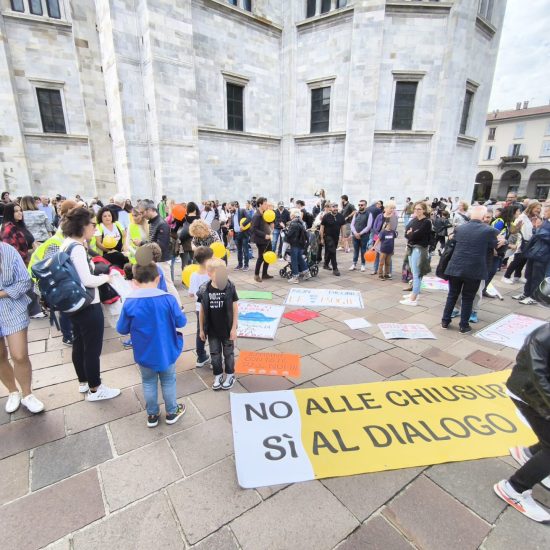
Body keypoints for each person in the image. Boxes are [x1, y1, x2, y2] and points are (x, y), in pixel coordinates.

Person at [494, 284, 550, 522]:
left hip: (537, 395)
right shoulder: (542, 337)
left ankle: (529, 453)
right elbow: (538, 378)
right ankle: (514, 489)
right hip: (528, 394)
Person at [116, 256, 187, 427]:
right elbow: (181, 322)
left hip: (143, 352)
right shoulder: (168, 299)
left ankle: (152, 416)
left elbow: (122, 329)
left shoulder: (130, 302)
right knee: (169, 380)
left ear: (134, 281)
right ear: (158, 278)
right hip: (166, 350)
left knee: (148, 382)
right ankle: (171, 411)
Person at [60, 207, 120, 400]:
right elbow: (87, 280)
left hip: (74, 303)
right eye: (93, 224)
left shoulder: (66, 244)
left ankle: (84, 382)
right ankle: (96, 388)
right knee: (92, 348)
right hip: (87, 303)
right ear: (82, 226)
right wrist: (106, 278)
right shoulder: (77, 248)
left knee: (79, 343)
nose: (95, 228)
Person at [0, 242, 45, 414]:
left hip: (12, 307)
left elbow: (25, 282)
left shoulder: (7, 251)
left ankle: (27, 394)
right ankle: (13, 391)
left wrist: (2, 293)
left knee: (19, 354)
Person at [441, 205, 499, 333]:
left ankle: (445, 321)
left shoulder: (460, 228)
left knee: (452, 295)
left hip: (456, 267)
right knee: (468, 297)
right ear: (484, 217)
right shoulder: (489, 231)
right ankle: (463, 325)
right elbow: (494, 247)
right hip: (474, 270)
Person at [197, 258, 239, 391]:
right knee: (214, 354)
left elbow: (235, 307)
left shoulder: (230, 286)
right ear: (209, 274)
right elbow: (202, 310)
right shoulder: (204, 289)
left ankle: (230, 375)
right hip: (212, 330)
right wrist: (202, 330)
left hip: (227, 329)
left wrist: (234, 328)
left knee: (229, 353)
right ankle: (218, 375)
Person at [139, 199, 182, 307]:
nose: (142, 215)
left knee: (168, 284)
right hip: (158, 259)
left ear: (149, 210)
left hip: (162, 259)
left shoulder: (161, 224)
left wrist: (142, 243)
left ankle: (179, 306)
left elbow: (160, 246)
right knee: (163, 284)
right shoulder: (154, 222)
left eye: (142, 212)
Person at [513, 201, 550, 305]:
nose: (544, 212)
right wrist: (535, 228)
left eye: (546, 210)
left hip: (543, 255)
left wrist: (537, 229)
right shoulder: (545, 221)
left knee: (537, 277)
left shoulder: (545, 222)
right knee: (529, 275)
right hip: (534, 252)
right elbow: (536, 236)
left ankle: (533, 297)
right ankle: (526, 293)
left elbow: (545, 236)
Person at [400, 202, 432, 306]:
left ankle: (413, 299)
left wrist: (411, 233)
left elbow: (417, 235)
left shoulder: (426, 222)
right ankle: (415, 293)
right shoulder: (413, 220)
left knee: (417, 274)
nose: (417, 211)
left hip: (419, 249)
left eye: (419, 209)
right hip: (411, 247)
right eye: (415, 209)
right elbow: (406, 233)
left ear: (424, 210)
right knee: (413, 272)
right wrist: (410, 233)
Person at [502, 201, 541, 284]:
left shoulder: (534, 218)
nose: (539, 210)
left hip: (529, 242)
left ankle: (517, 276)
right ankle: (506, 276)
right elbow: (514, 229)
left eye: (540, 209)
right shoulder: (522, 217)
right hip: (521, 241)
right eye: (537, 208)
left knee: (524, 260)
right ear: (531, 207)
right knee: (518, 259)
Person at [188, 246, 213, 367]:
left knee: (201, 331)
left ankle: (201, 356)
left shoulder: (193, 275)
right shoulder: (212, 274)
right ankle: (215, 357)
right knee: (214, 332)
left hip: (200, 309)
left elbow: (191, 294)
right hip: (214, 307)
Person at [285, 209, 312, 284]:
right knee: (300, 258)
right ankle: (307, 273)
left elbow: (289, 235)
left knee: (294, 260)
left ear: (293, 215)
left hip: (294, 244)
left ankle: (295, 277)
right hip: (300, 244)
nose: (290, 215)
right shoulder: (301, 222)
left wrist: (284, 231)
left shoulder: (293, 223)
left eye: (291, 214)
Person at [372, 201, 399, 276]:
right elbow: (374, 226)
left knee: (388, 257)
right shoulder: (380, 216)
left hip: (387, 240)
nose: (392, 210)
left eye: (394, 208)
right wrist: (378, 235)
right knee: (377, 255)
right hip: (378, 237)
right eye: (391, 208)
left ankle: (388, 272)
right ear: (386, 208)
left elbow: (394, 229)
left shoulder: (394, 218)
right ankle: (375, 269)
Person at [251, 197, 273, 283]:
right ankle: (256, 275)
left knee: (268, 256)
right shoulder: (256, 215)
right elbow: (254, 229)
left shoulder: (264, 214)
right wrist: (264, 235)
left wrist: (270, 225)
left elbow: (266, 224)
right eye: (265, 204)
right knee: (261, 258)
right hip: (261, 240)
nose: (266, 205)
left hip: (267, 239)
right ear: (260, 204)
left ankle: (264, 274)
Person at [320, 202, 345, 276]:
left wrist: (343, 237)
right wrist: (321, 238)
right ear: (330, 208)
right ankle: (335, 268)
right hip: (327, 236)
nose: (335, 208)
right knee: (333, 251)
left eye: (336, 206)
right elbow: (322, 228)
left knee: (329, 251)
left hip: (336, 237)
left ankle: (325, 264)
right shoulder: (326, 216)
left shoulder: (341, 216)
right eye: (333, 207)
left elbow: (343, 227)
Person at [349, 200, 372, 272]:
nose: (360, 206)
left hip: (364, 236)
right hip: (355, 235)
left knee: (363, 250)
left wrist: (360, 233)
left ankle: (363, 264)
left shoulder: (369, 214)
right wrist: (355, 233)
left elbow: (368, 226)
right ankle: (354, 264)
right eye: (359, 205)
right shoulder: (356, 214)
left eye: (362, 205)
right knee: (355, 250)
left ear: (365, 206)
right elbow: (352, 224)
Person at [229, 201, 252, 271]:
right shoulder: (232, 214)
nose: (229, 210)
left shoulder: (242, 211)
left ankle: (246, 265)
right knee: (239, 251)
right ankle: (240, 264)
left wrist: (243, 225)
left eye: (230, 208)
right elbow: (233, 224)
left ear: (234, 206)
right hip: (236, 235)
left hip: (244, 234)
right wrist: (230, 229)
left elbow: (249, 218)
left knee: (245, 250)